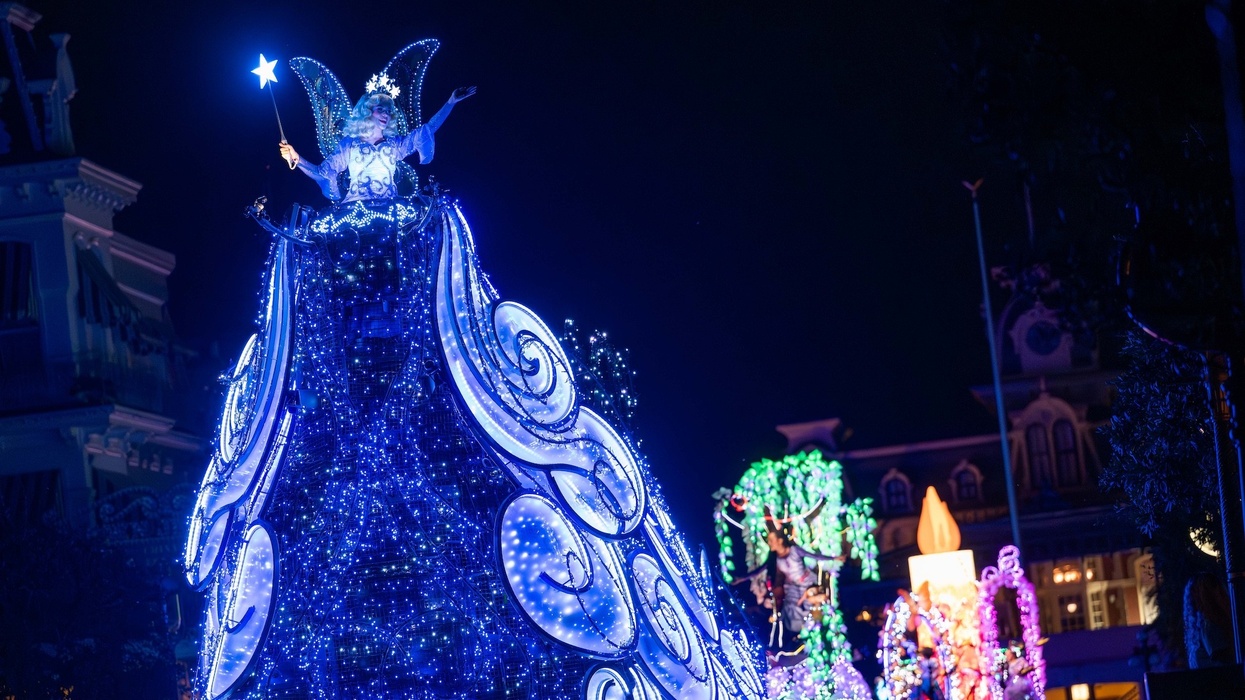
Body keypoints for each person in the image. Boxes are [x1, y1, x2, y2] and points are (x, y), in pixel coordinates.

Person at [279, 86, 475, 202]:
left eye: (388, 112)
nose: (385, 115)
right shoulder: (350, 145)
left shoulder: (395, 145)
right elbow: (322, 172)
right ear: (368, 112)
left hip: (390, 209)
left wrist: (450, 102)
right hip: (355, 211)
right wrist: (297, 158)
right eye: (380, 109)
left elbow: (428, 129)